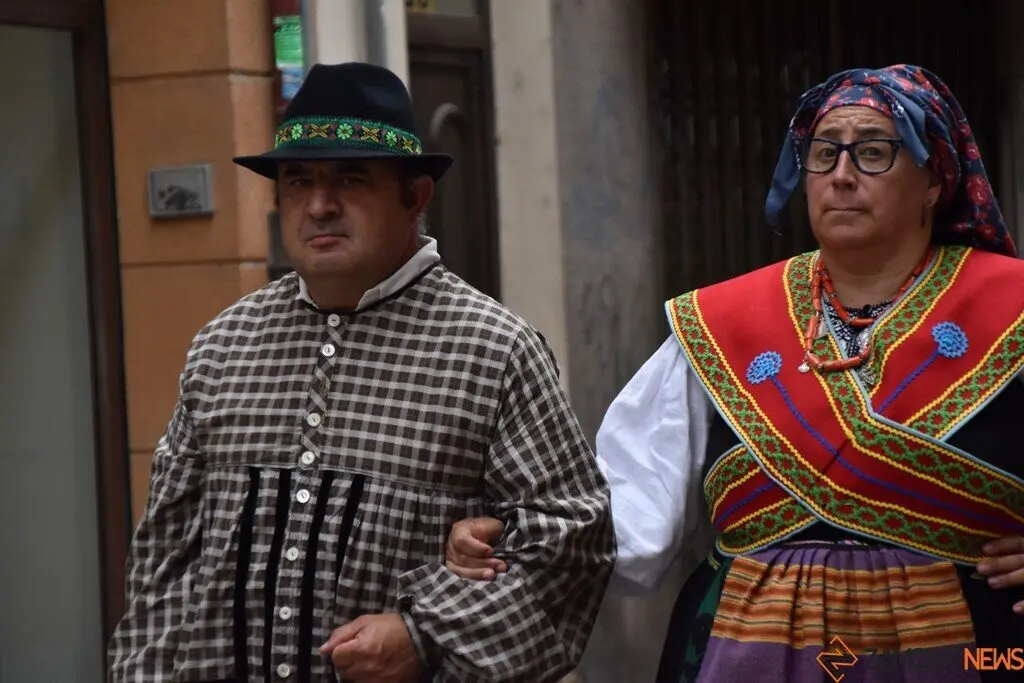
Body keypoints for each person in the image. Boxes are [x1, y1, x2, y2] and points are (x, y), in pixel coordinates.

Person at [443, 64, 1024, 682]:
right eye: (824, 154)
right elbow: (629, 514)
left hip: (968, 653)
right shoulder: (723, 323)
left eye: (875, 152)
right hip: (743, 653)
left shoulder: (1009, 308)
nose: (842, 175)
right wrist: (511, 541)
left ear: (934, 177)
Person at [107, 62, 615, 683]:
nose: (319, 205)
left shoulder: (493, 350)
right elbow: (164, 564)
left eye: (350, 178)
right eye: (298, 181)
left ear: (416, 195)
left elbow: (574, 543)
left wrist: (426, 634)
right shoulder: (222, 347)